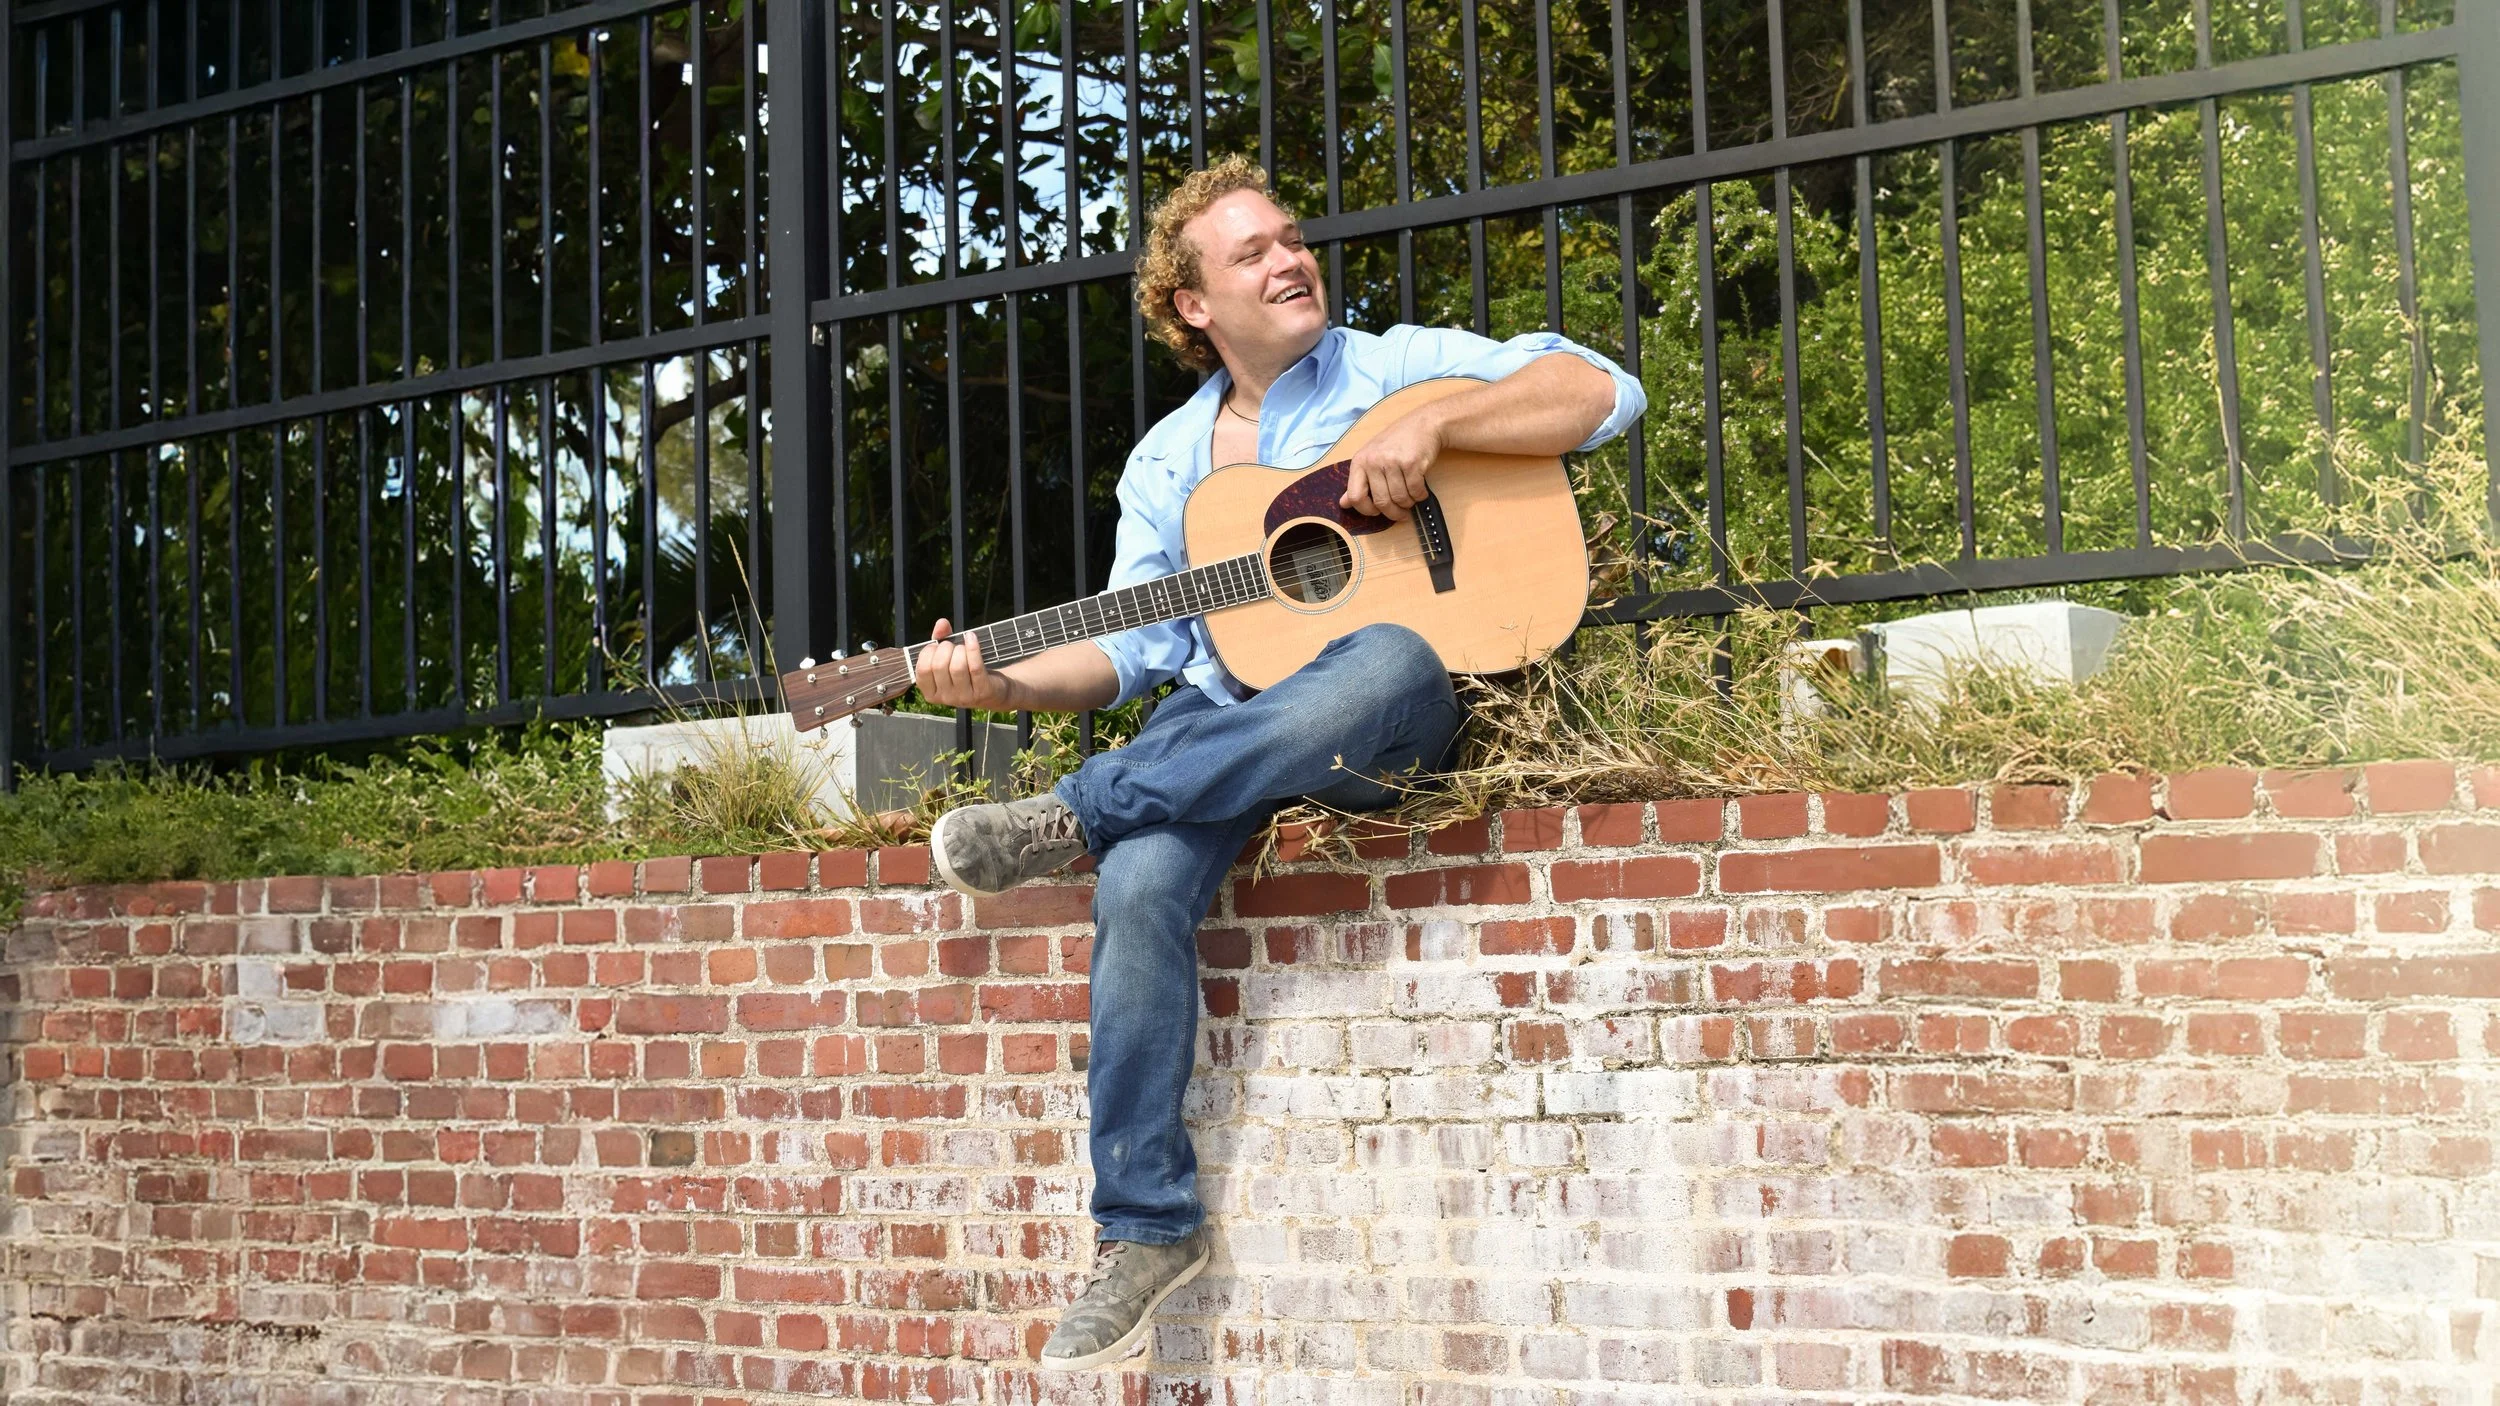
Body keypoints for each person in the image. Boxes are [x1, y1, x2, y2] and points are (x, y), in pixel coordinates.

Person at [909, 155, 1647, 1371]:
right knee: (1139, 885)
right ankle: (1147, 1227)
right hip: (1216, 729)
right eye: (1250, 252)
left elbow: (1599, 388)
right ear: (1192, 304)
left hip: (1371, 715)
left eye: (1289, 238)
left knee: (1390, 656)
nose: (1288, 260)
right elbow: (1130, 652)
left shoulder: (1387, 364)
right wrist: (995, 681)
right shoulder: (1167, 465)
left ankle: (1075, 809)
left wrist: (1439, 418)